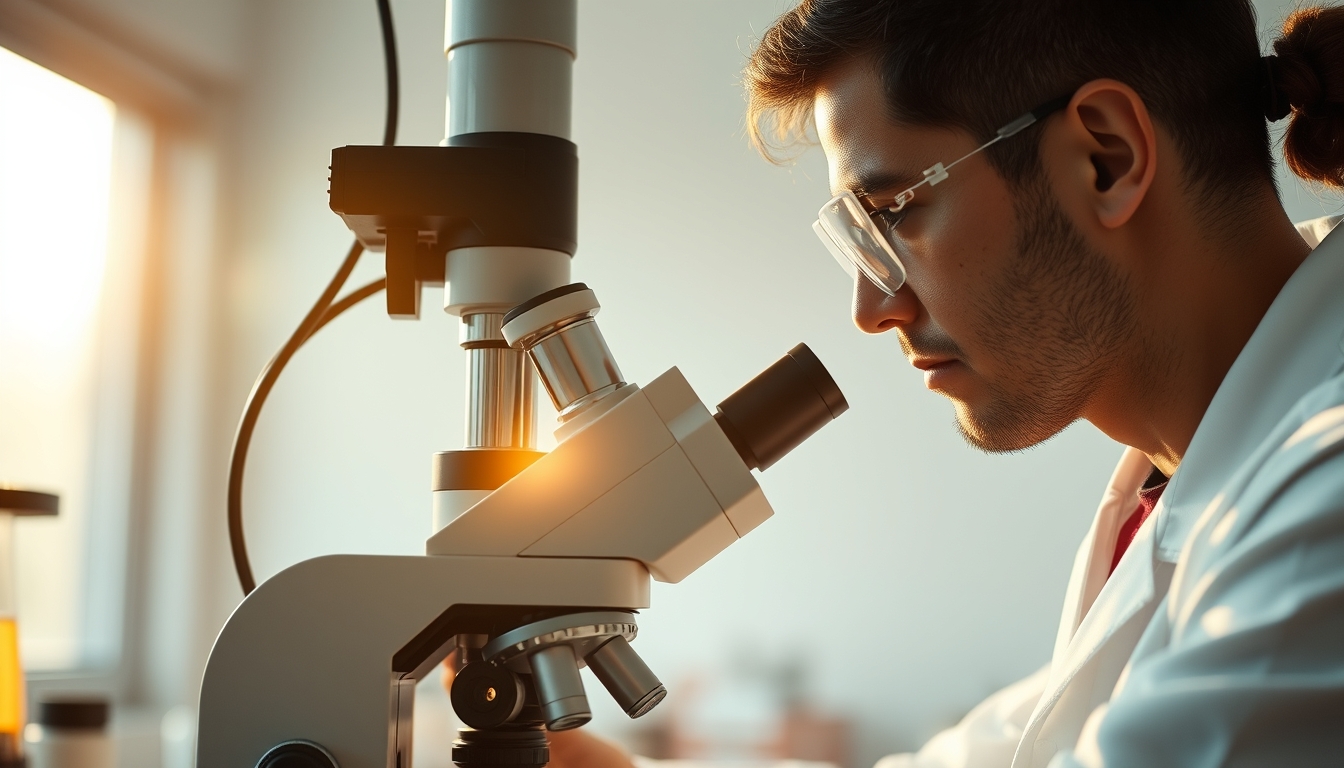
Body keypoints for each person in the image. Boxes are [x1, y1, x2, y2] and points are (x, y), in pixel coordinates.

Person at [465, 0, 1344, 765]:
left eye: (892, 213)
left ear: (1104, 158)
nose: (871, 307)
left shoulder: (1326, 497)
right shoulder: (1178, 484)